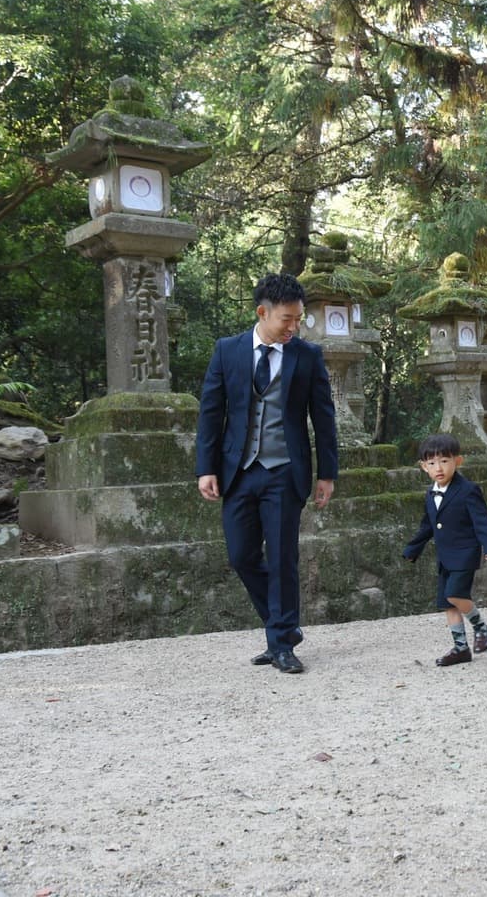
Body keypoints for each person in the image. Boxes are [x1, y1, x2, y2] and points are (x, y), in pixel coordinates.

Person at [196, 273, 338, 674]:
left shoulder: (307, 356)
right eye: (287, 320)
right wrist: (205, 467)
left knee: (282, 559)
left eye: (299, 320)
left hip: (284, 471)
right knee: (241, 556)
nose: (294, 327)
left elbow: (323, 418)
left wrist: (327, 473)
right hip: (238, 472)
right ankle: (284, 628)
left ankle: (280, 642)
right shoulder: (228, 351)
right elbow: (211, 413)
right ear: (263, 312)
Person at [402, 434, 487, 665]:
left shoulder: (468, 490)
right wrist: (412, 549)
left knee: (455, 595)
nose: (439, 468)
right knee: (448, 604)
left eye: (444, 461)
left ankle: (481, 627)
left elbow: (482, 521)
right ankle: (460, 648)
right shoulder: (430, 493)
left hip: (465, 553)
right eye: (432, 463)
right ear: (423, 467)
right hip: (444, 557)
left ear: (458, 461)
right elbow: (428, 525)